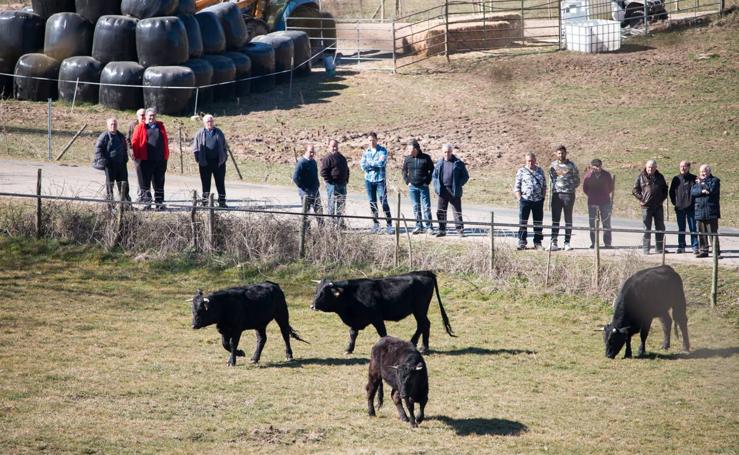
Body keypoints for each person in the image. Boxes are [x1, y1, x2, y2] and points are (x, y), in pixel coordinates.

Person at [132, 108, 170, 210]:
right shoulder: (140, 127)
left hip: (160, 161)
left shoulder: (160, 127)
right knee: (145, 183)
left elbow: (165, 141)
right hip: (145, 161)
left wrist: (165, 157)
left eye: (153, 115)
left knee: (159, 183)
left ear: (155, 116)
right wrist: (137, 158)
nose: (151, 117)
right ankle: (147, 203)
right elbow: (134, 142)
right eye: (149, 116)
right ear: (146, 117)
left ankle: (159, 203)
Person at [432, 144, 469, 237]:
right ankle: (442, 230)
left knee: (457, 211)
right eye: (445, 152)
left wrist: (458, 184)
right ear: (442, 152)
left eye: (448, 152)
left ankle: (460, 231)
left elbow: (465, 176)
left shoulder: (458, 163)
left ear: (452, 152)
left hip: (454, 190)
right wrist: (437, 187)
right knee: (441, 211)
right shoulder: (439, 163)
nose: (447, 154)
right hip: (442, 190)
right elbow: (434, 176)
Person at [192, 115, 229, 208]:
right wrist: (198, 159)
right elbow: (195, 148)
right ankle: (205, 203)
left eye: (211, 121)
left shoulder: (219, 132)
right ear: (204, 123)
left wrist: (224, 157)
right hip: (205, 163)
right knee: (205, 183)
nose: (210, 123)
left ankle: (222, 202)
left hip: (218, 163)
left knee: (220, 183)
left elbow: (224, 146)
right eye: (208, 121)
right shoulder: (199, 133)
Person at [632, 159, 668, 254]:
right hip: (646, 207)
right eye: (649, 167)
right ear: (646, 167)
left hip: (658, 206)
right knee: (646, 228)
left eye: (652, 167)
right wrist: (642, 199)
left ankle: (660, 248)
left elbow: (665, 190)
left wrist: (661, 200)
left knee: (660, 227)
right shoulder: (641, 177)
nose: (650, 169)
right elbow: (635, 190)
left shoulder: (660, 177)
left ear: (656, 168)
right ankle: (646, 249)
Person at [548, 145, 580, 251]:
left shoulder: (571, 165)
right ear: (556, 154)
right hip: (557, 195)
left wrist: (569, 187)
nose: (561, 155)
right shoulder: (552, 165)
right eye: (559, 153)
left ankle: (567, 243)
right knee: (555, 219)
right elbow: (552, 179)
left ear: (566, 153)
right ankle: (554, 242)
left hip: (568, 195)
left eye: (562, 153)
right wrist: (558, 187)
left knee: (568, 219)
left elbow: (577, 180)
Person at [360, 132, 393, 234]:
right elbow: (362, 165)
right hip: (369, 180)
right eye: (370, 140)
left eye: (373, 140)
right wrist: (371, 165)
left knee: (384, 202)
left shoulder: (382, 150)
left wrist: (369, 165)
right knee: (372, 203)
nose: (371, 142)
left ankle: (389, 225)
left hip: (380, 180)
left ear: (377, 140)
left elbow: (381, 163)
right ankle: (376, 225)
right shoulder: (366, 152)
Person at [513, 152, 546, 250]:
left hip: (538, 201)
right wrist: (520, 199)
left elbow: (544, 186)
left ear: (535, 160)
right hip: (525, 200)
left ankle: (537, 242)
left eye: (532, 160)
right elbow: (517, 187)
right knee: (523, 222)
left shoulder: (540, 171)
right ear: (526, 161)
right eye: (529, 161)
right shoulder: (521, 171)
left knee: (538, 222)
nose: (531, 163)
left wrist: (542, 198)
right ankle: (522, 241)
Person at [93, 117, 130, 204]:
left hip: (121, 165)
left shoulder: (121, 136)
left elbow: (125, 148)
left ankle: (126, 204)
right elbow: (98, 149)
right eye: (111, 124)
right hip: (110, 166)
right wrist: (104, 161)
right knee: (110, 186)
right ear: (108, 126)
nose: (113, 126)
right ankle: (110, 204)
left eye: (115, 124)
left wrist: (125, 159)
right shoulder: (104, 136)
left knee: (124, 185)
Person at [402, 139, 434, 234]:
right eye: (408, 149)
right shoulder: (408, 159)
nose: (408, 151)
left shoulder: (426, 158)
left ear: (416, 149)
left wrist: (427, 181)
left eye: (410, 149)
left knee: (426, 207)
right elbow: (404, 171)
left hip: (423, 186)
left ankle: (429, 226)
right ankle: (418, 226)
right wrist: (407, 182)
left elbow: (432, 170)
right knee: (416, 207)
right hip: (412, 187)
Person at [582, 158, 614, 249]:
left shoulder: (607, 175)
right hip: (592, 202)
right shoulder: (588, 176)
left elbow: (611, 188)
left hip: (605, 202)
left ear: (601, 166)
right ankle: (594, 243)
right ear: (591, 167)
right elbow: (585, 189)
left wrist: (604, 194)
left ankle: (607, 243)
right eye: (594, 166)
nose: (596, 168)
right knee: (593, 223)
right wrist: (592, 195)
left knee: (606, 222)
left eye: (598, 166)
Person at [691, 164, 720, 258]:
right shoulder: (697, 182)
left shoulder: (715, 180)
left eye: (704, 171)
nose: (702, 173)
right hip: (699, 211)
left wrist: (702, 184)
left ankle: (716, 252)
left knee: (712, 233)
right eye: (701, 172)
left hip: (711, 211)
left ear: (709, 171)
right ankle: (703, 250)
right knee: (702, 233)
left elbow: (711, 190)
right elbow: (693, 192)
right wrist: (702, 191)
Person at [669, 160, 698, 254]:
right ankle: (681, 246)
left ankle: (695, 246)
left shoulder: (694, 178)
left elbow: (698, 191)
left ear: (688, 167)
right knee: (681, 228)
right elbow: (671, 192)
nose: (682, 168)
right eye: (681, 166)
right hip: (680, 207)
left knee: (693, 228)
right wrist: (675, 203)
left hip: (691, 208)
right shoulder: (676, 179)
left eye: (685, 166)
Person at [320, 139, 350, 225]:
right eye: (333, 146)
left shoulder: (342, 158)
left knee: (341, 205)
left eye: (336, 146)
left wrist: (346, 180)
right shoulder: (327, 158)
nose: (334, 148)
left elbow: (347, 170)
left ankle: (340, 223)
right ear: (329, 147)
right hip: (332, 185)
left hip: (342, 184)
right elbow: (323, 172)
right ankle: (331, 223)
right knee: (332, 205)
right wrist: (330, 181)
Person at [293, 144, 323, 227]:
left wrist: (317, 184)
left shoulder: (313, 162)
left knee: (319, 211)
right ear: (305, 151)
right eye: (310, 152)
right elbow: (295, 177)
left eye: (313, 152)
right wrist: (303, 187)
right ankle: (306, 232)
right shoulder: (301, 162)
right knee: (306, 213)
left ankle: (322, 230)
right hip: (305, 192)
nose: (312, 154)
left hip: (315, 191)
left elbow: (315, 174)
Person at [127, 108, 146, 203]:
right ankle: (140, 195)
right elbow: (128, 139)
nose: (143, 117)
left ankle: (145, 195)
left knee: (146, 175)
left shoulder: (148, 125)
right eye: (141, 115)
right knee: (140, 175)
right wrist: (131, 151)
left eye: (144, 114)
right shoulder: (133, 125)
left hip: (147, 154)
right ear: (137, 116)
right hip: (137, 155)